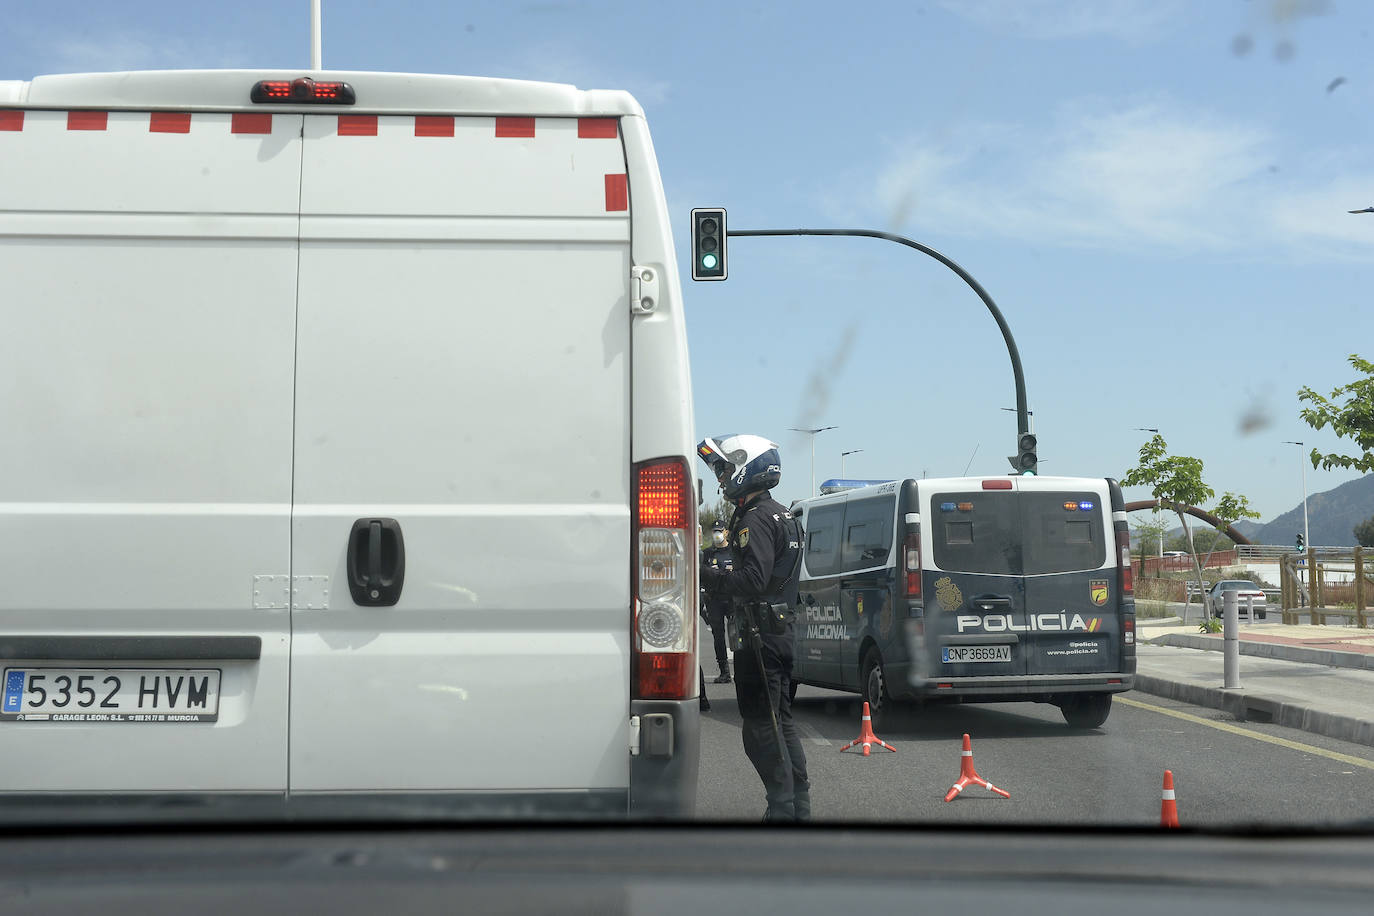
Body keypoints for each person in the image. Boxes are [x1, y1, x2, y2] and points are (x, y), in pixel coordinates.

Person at [696, 433, 810, 822]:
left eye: (726, 468)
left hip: (759, 638)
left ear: (749, 467)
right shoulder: (784, 515)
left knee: (761, 731)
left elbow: (753, 579)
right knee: (782, 725)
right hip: (777, 633)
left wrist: (704, 574)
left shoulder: (755, 519)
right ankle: (798, 808)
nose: (722, 477)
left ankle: (782, 810)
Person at [701, 518, 734, 684]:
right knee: (718, 637)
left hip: (733, 599)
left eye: (719, 531)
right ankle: (724, 672)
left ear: (726, 532)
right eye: (714, 531)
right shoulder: (707, 554)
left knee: (738, 633)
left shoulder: (735, 552)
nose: (717, 534)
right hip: (714, 600)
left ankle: (743, 671)